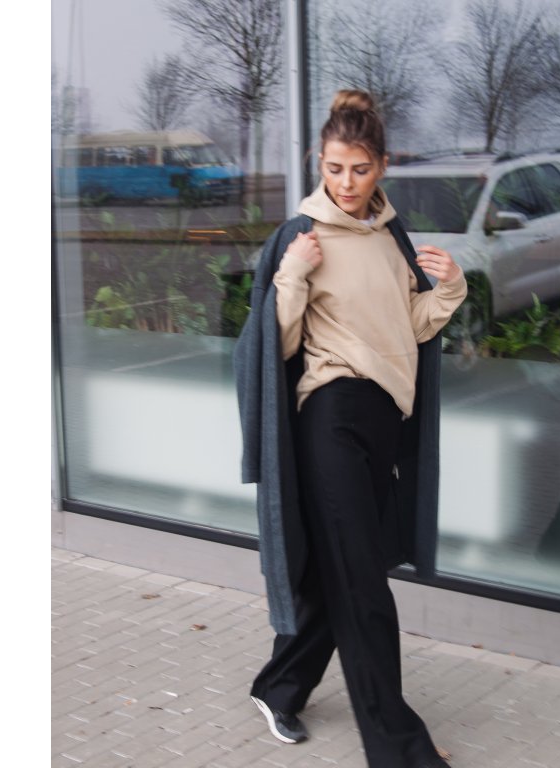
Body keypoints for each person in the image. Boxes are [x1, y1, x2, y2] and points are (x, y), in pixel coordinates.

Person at [233, 89, 467, 768]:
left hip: (382, 422)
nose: (346, 182)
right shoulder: (302, 238)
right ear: (320, 162)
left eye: (360, 169)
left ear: (382, 167)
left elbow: (408, 329)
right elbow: (275, 349)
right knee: (364, 586)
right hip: (330, 419)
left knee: (346, 572)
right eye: (334, 168)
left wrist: (450, 289)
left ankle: (279, 685)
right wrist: (291, 279)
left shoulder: (392, 238)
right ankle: (400, 748)